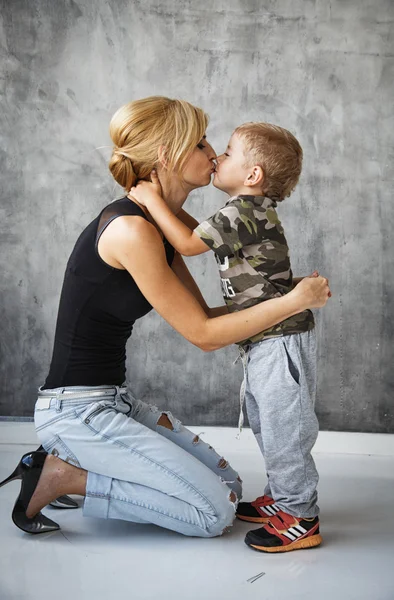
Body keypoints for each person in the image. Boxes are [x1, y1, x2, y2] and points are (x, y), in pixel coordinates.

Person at [0, 97, 330, 539]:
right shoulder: (133, 229)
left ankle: (81, 464)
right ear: (166, 155)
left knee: (230, 489)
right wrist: (294, 302)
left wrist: (283, 301)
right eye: (200, 143)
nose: (213, 153)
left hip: (114, 400)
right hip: (76, 410)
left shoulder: (162, 223)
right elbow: (206, 335)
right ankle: (63, 474)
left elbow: (210, 315)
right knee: (212, 517)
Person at [129, 121, 327, 553]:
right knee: (266, 422)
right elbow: (194, 228)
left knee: (283, 429)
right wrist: (162, 200)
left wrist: (148, 197)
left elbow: (185, 242)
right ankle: (282, 497)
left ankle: (302, 516)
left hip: (279, 340)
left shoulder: (240, 212)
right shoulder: (242, 213)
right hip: (265, 339)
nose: (217, 155)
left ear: (252, 175)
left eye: (231, 152)